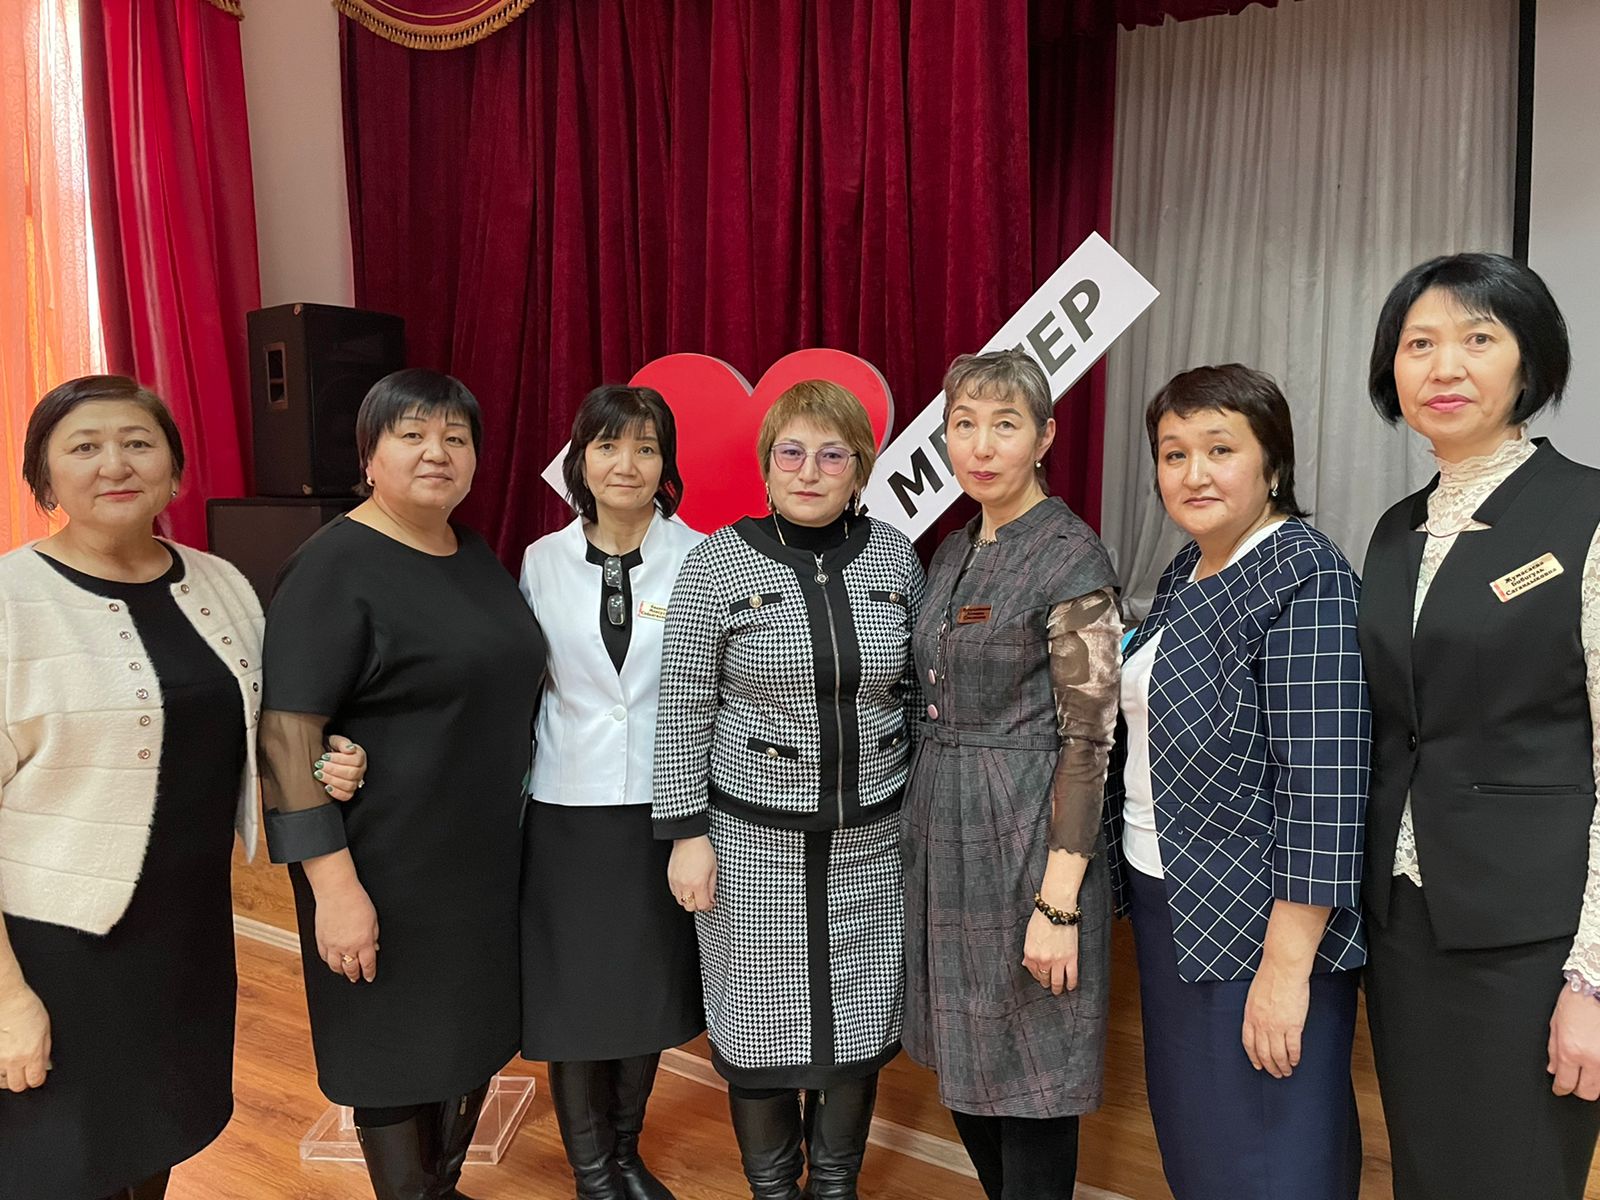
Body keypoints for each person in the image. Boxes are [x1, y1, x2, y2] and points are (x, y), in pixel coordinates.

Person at [0, 375, 364, 1200]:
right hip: (55, 947)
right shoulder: (12, 602)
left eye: (138, 442)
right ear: (44, 477)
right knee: (59, 1161)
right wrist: (7, 999)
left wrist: (327, 757)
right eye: (84, 447)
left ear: (175, 469)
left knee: (151, 1143)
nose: (114, 464)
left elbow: (262, 726)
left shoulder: (219, 583)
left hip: (185, 935)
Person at [258, 368, 546, 1200]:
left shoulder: (474, 552)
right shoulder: (333, 565)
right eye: (412, 434)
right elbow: (288, 738)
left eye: (456, 438)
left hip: (479, 860)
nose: (436, 452)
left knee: (468, 1037)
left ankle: (442, 1186)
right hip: (382, 861)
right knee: (390, 1051)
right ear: (369, 457)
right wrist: (335, 889)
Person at [1359, 252, 1600, 1199]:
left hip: (1535, 942)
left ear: (1529, 362)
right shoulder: (1394, 529)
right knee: (1426, 1173)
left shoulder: (1587, 514)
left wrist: (1592, 981)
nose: (1445, 367)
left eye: (1478, 339)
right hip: (1406, 928)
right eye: (1419, 344)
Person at [1103, 364, 1368, 1200]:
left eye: (1221, 449)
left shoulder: (1307, 577)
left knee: (1271, 1152)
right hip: (1171, 900)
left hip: (1259, 921)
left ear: (1272, 463)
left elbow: (1326, 789)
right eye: (1173, 452)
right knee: (1202, 1140)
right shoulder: (1190, 566)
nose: (1194, 473)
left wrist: (1286, 973)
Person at [653, 380, 923, 1200]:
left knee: (858, 1027)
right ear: (767, 466)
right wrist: (686, 835)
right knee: (758, 1031)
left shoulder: (896, 558)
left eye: (832, 455)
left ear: (860, 468)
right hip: (750, 844)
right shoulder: (716, 563)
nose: (810, 471)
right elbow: (683, 705)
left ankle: (834, 1187)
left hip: (872, 844)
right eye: (792, 453)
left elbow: (917, 696)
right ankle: (774, 1190)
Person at [901, 349, 1121, 1200]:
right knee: (967, 1061)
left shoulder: (1072, 556)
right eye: (964, 425)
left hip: (1029, 836)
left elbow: (1090, 738)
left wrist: (1059, 902)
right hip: (943, 831)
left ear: (1045, 437)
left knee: (1032, 1075)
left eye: (1005, 424)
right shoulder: (953, 549)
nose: (982, 446)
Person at [519, 384, 704, 1200]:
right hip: (565, 809)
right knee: (574, 999)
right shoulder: (540, 560)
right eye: (607, 445)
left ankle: (625, 1153)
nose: (626, 464)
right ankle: (593, 1174)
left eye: (646, 448)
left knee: (642, 993)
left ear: (666, 464)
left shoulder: (702, 556)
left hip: (664, 810)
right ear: (580, 460)